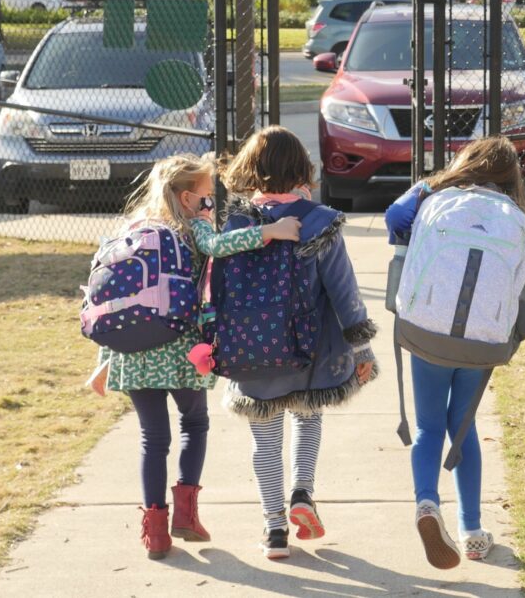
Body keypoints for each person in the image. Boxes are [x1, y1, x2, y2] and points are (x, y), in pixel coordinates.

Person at [88, 153, 302, 560]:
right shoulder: (192, 228)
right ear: (187, 199)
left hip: (134, 355)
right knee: (194, 423)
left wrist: (105, 356)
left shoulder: (131, 229)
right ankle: (185, 515)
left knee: (153, 439)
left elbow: (113, 298)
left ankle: (155, 532)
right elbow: (220, 247)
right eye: (206, 199)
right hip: (181, 348)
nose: (210, 207)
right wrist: (271, 231)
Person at [384, 136, 525, 568]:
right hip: (483, 340)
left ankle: (426, 504)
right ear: (509, 176)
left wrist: (430, 184)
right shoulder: (513, 216)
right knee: (463, 428)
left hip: (427, 331)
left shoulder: (437, 197)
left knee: (428, 428)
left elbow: (394, 216)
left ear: (465, 164)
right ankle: (473, 531)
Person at [217, 126, 378, 560]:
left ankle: (273, 530)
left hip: (253, 352)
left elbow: (215, 291)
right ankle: (302, 492)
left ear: (250, 168)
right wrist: (362, 350)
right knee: (308, 418)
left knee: (264, 439)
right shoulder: (319, 221)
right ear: (302, 169)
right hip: (312, 352)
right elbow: (345, 293)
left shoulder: (234, 225)